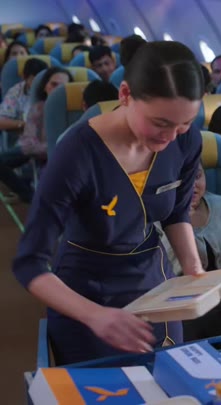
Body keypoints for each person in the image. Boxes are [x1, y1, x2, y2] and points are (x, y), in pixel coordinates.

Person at [11, 41, 206, 365]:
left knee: (169, 382)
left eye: (184, 122)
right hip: (86, 295)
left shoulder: (186, 140)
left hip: (155, 288)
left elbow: (175, 213)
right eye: (160, 123)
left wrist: (194, 270)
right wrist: (96, 316)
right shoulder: (76, 153)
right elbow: (28, 263)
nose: (172, 136)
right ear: (125, 94)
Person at [161, 164, 221, 339]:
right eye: (182, 180)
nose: (192, 185)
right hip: (183, 305)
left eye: (197, 176)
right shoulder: (157, 219)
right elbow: (160, 269)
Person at [0, 66, 72, 203]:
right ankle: (27, 194)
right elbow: (29, 141)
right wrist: (48, 149)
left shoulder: (76, 110)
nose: (57, 90)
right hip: (38, 150)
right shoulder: (38, 108)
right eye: (53, 84)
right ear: (45, 87)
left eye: (62, 86)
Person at [0, 58, 48, 138]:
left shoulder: (51, 88)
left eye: (42, 80)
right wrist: (24, 124)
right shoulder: (16, 92)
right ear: (24, 77)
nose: (39, 84)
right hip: (24, 136)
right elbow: (1, 121)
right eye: (34, 80)